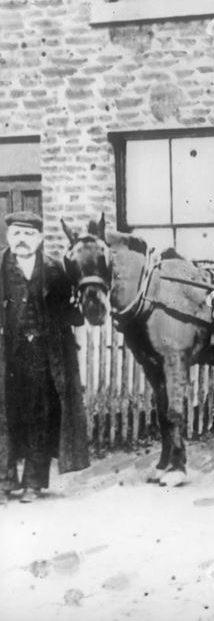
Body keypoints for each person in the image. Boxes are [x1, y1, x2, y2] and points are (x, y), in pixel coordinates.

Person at [0, 211, 89, 503]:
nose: (21, 240)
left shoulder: (55, 270)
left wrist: (80, 305)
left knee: (39, 415)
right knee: (4, 416)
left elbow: (70, 312)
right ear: (8, 237)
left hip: (43, 355)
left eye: (28, 234)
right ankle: (4, 481)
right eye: (16, 233)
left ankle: (33, 484)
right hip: (5, 356)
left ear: (39, 238)